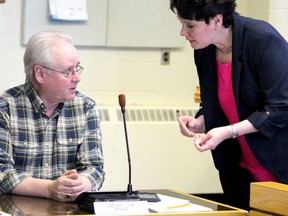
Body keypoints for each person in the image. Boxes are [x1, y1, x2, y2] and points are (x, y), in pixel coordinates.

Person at [170, 0, 288, 210]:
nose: (183, 32)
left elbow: (280, 108)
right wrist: (201, 121)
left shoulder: (262, 40)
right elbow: (222, 102)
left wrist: (229, 131)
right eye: (182, 24)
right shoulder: (205, 49)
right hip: (239, 166)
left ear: (217, 21)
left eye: (190, 25)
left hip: (278, 160)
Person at [0, 30, 105, 202]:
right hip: (18, 209)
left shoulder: (85, 107)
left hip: (69, 210)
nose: (77, 78)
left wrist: (80, 184)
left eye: (77, 68)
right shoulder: (5, 107)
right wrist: (50, 188)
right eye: (68, 72)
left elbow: (95, 168)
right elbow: (2, 173)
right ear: (40, 73)